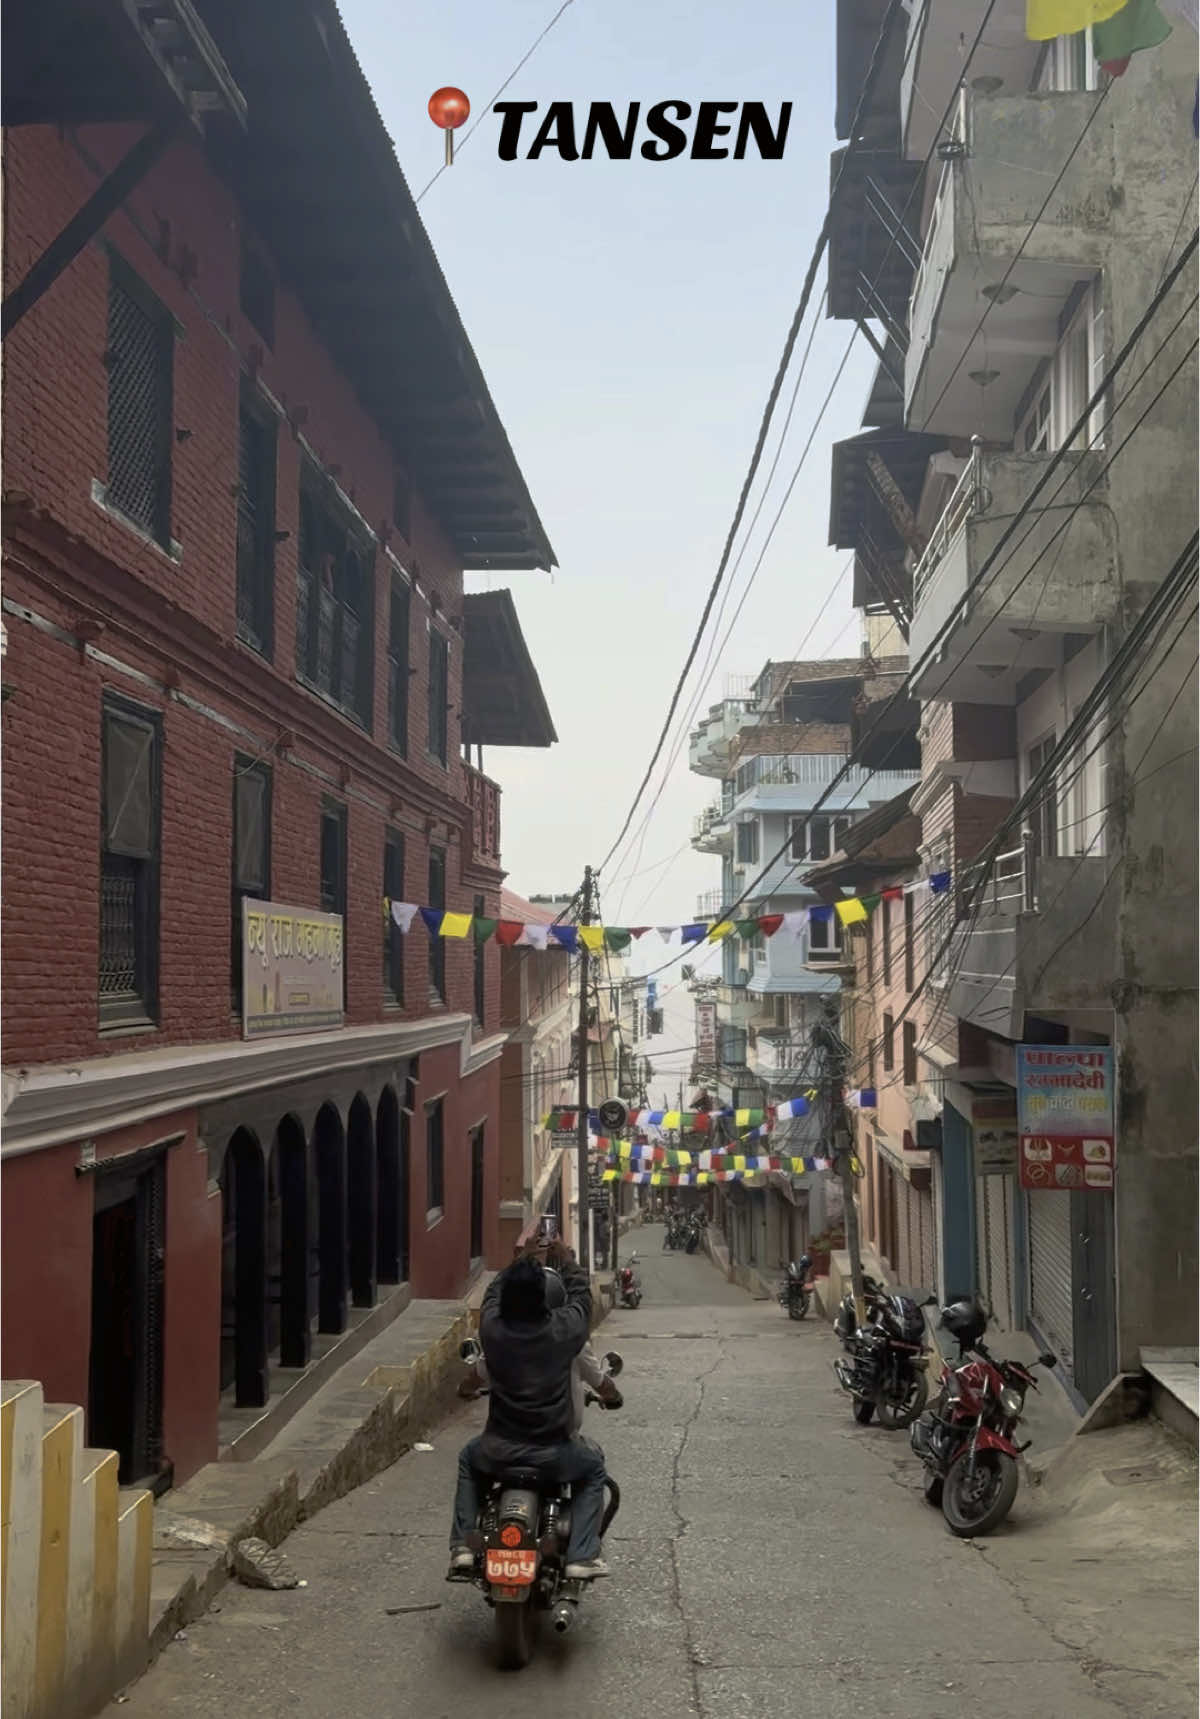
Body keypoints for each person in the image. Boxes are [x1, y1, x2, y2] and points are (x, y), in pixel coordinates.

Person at [448, 1242, 611, 1582]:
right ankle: (582, 1555)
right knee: (594, 1469)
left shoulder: (493, 1331)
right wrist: (568, 1263)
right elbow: (582, 1300)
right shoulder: (563, 1331)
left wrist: (518, 1260)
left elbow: (491, 1295)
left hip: (498, 1449)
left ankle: (463, 1547)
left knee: (468, 1459)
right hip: (555, 1452)